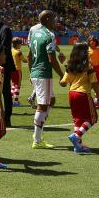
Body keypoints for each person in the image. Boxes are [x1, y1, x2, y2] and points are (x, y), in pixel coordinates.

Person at [27, 10, 64, 150]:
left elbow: (29, 55)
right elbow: (52, 59)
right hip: (43, 74)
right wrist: (62, 75)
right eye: (54, 18)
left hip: (36, 72)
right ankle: (37, 139)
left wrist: (31, 73)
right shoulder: (49, 35)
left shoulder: (35, 33)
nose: (56, 21)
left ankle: (39, 130)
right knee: (42, 105)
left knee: (51, 101)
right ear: (47, 19)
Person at [61, 42, 96, 154]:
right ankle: (77, 136)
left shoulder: (70, 64)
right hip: (83, 94)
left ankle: (78, 146)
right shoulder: (88, 65)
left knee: (77, 120)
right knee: (92, 119)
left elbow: (63, 82)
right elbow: (94, 82)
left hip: (72, 93)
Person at [87, 35, 99, 106]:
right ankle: (87, 97)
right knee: (90, 84)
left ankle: (96, 99)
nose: (93, 42)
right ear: (89, 42)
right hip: (90, 69)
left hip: (97, 68)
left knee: (98, 84)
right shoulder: (87, 50)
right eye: (91, 41)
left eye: (94, 41)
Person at [10, 37, 28, 106]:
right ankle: (16, 101)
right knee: (18, 85)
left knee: (13, 85)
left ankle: (11, 101)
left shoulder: (11, 50)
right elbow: (24, 60)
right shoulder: (18, 52)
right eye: (20, 43)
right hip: (17, 70)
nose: (21, 45)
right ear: (17, 44)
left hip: (11, 70)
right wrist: (30, 59)